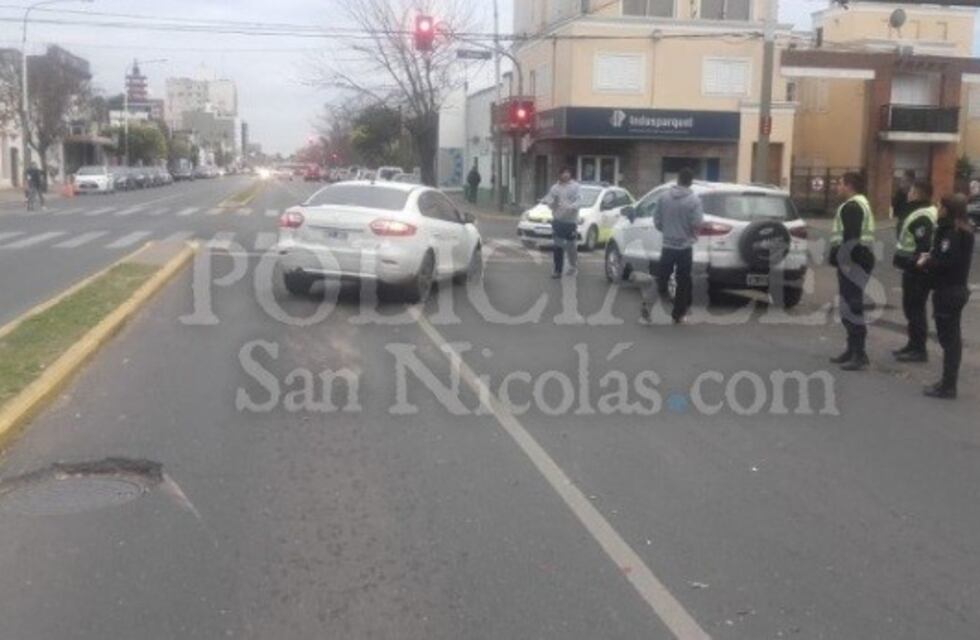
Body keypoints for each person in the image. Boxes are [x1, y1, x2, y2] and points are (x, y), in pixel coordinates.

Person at [916, 194, 974, 399]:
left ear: (948, 209)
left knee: (949, 340)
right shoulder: (961, 230)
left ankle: (949, 386)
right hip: (954, 290)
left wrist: (927, 261)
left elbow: (947, 262)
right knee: (950, 338)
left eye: (940, 206)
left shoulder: (952, 233)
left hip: (949, 291)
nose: (937, 209)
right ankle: (947, 382)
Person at [644, 167, 703, 325]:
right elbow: (697, 223)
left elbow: (657, 220)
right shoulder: (694, 201)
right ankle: (678, 314)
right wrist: (691, 235)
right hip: (685, 246)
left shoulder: (664, 197)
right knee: (683, 281)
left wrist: (666, 230)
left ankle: (647, 305)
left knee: (661, 277)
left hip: (668, 244)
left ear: (678, 179)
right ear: (690, 182)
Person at [829, 172, 876, 371]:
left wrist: (845, 261)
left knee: (852, 307)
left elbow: (851, 238)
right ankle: (852, 350)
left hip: (853, 263)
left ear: (849, 186)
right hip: (859, 260)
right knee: (848, 306)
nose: (837, 187)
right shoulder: (860, 204)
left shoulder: (852, 207)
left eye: (840, 183)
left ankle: (859, 353)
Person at [892, 180, 937, 363]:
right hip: (914, 270)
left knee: (915, 309)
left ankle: (919, 350)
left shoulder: (921, 216)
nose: (908, 194)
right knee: (911, 308)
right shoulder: (925, 211)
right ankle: (913, 344)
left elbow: (923, 246)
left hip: (917, 272)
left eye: (911, 191)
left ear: (917, 193)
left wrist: (913, 264)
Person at [542, 166, 581, 279]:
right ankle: (557, 270)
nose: (566, 175)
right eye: (563, 173)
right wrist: (549, 203)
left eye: (568, 172)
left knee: (571, 246)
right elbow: (549, 201)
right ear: (559, 174)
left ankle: (573, 266)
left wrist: (571, 207)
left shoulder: (575, 186)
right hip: (558, 221)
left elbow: (579, 201)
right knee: (557, 246)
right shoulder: (555, 188)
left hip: (570, 222)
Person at [892, 169, 916, 237]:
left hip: (912, 222)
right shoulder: (900, 192)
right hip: (901, 221)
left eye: (904, 181)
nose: (902, 184)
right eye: (902, 181)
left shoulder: (915, 193)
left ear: (911, 182)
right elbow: (894, 205)